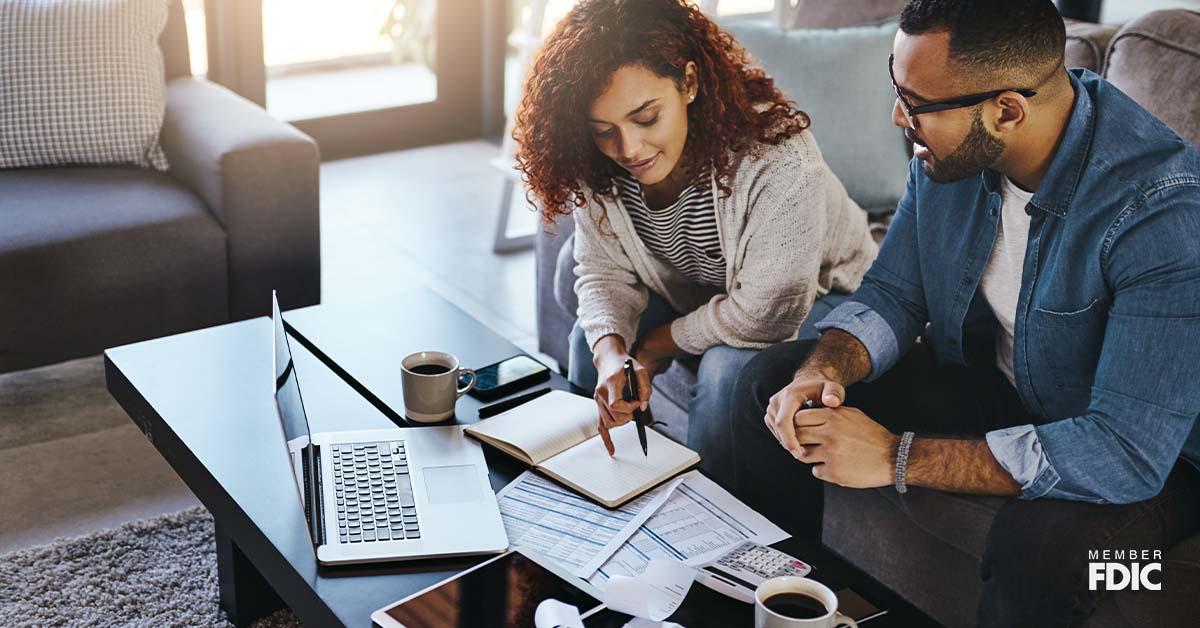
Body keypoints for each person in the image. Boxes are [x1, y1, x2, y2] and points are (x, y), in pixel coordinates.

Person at [730, 0, 1200, 626]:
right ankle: (793, 604)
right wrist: (827, 371)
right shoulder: (950, 154)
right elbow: (896, 294)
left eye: (917, 104)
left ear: (1006, 109)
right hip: (1002, 388)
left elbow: (1124, 453)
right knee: (774, 384)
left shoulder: (1164, 216)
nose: (899, 116)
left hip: (1157, 463)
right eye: (897, 89)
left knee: (1041, 552)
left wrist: (897, 456)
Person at [512, 0, 877, 476]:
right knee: (590, 342)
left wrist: (652, 347)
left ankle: (721, 528)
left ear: (688, 83)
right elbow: (601, 271)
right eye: (604, 130)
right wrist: (612, 356)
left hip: (820, 296)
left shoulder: (778, 159)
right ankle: (603, 485)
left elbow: (764, 315)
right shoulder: (596, 159)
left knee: (727, 374)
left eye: (646, 118)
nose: (629, 149)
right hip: (705, 287)